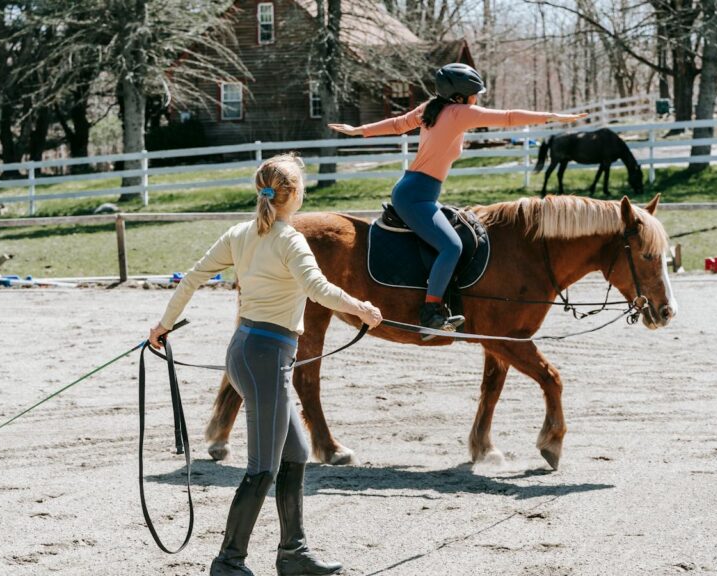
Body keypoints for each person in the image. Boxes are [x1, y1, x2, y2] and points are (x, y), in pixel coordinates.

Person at [149, 153, 382, 576]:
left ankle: (293, 553)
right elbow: (318, 289)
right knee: (262, 468)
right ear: (295, 195)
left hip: (247, 353)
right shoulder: (289, 239)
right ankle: (228, 562)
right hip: (265, 357)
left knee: (295, 453)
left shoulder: (240, 234)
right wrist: (361, 307)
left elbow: (193, 277)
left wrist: (163, 326)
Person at [329, 63, 587, 336]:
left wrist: (360, 130)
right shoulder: (459, 113)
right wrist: (552, 116)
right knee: (451, 247)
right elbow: (509, 117)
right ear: (461, 96)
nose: (477, 98)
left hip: (416, 191)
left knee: (457, 233)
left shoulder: (433, 108)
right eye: (474, 93)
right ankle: (430, 313)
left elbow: (397, 124)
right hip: (416, 196)